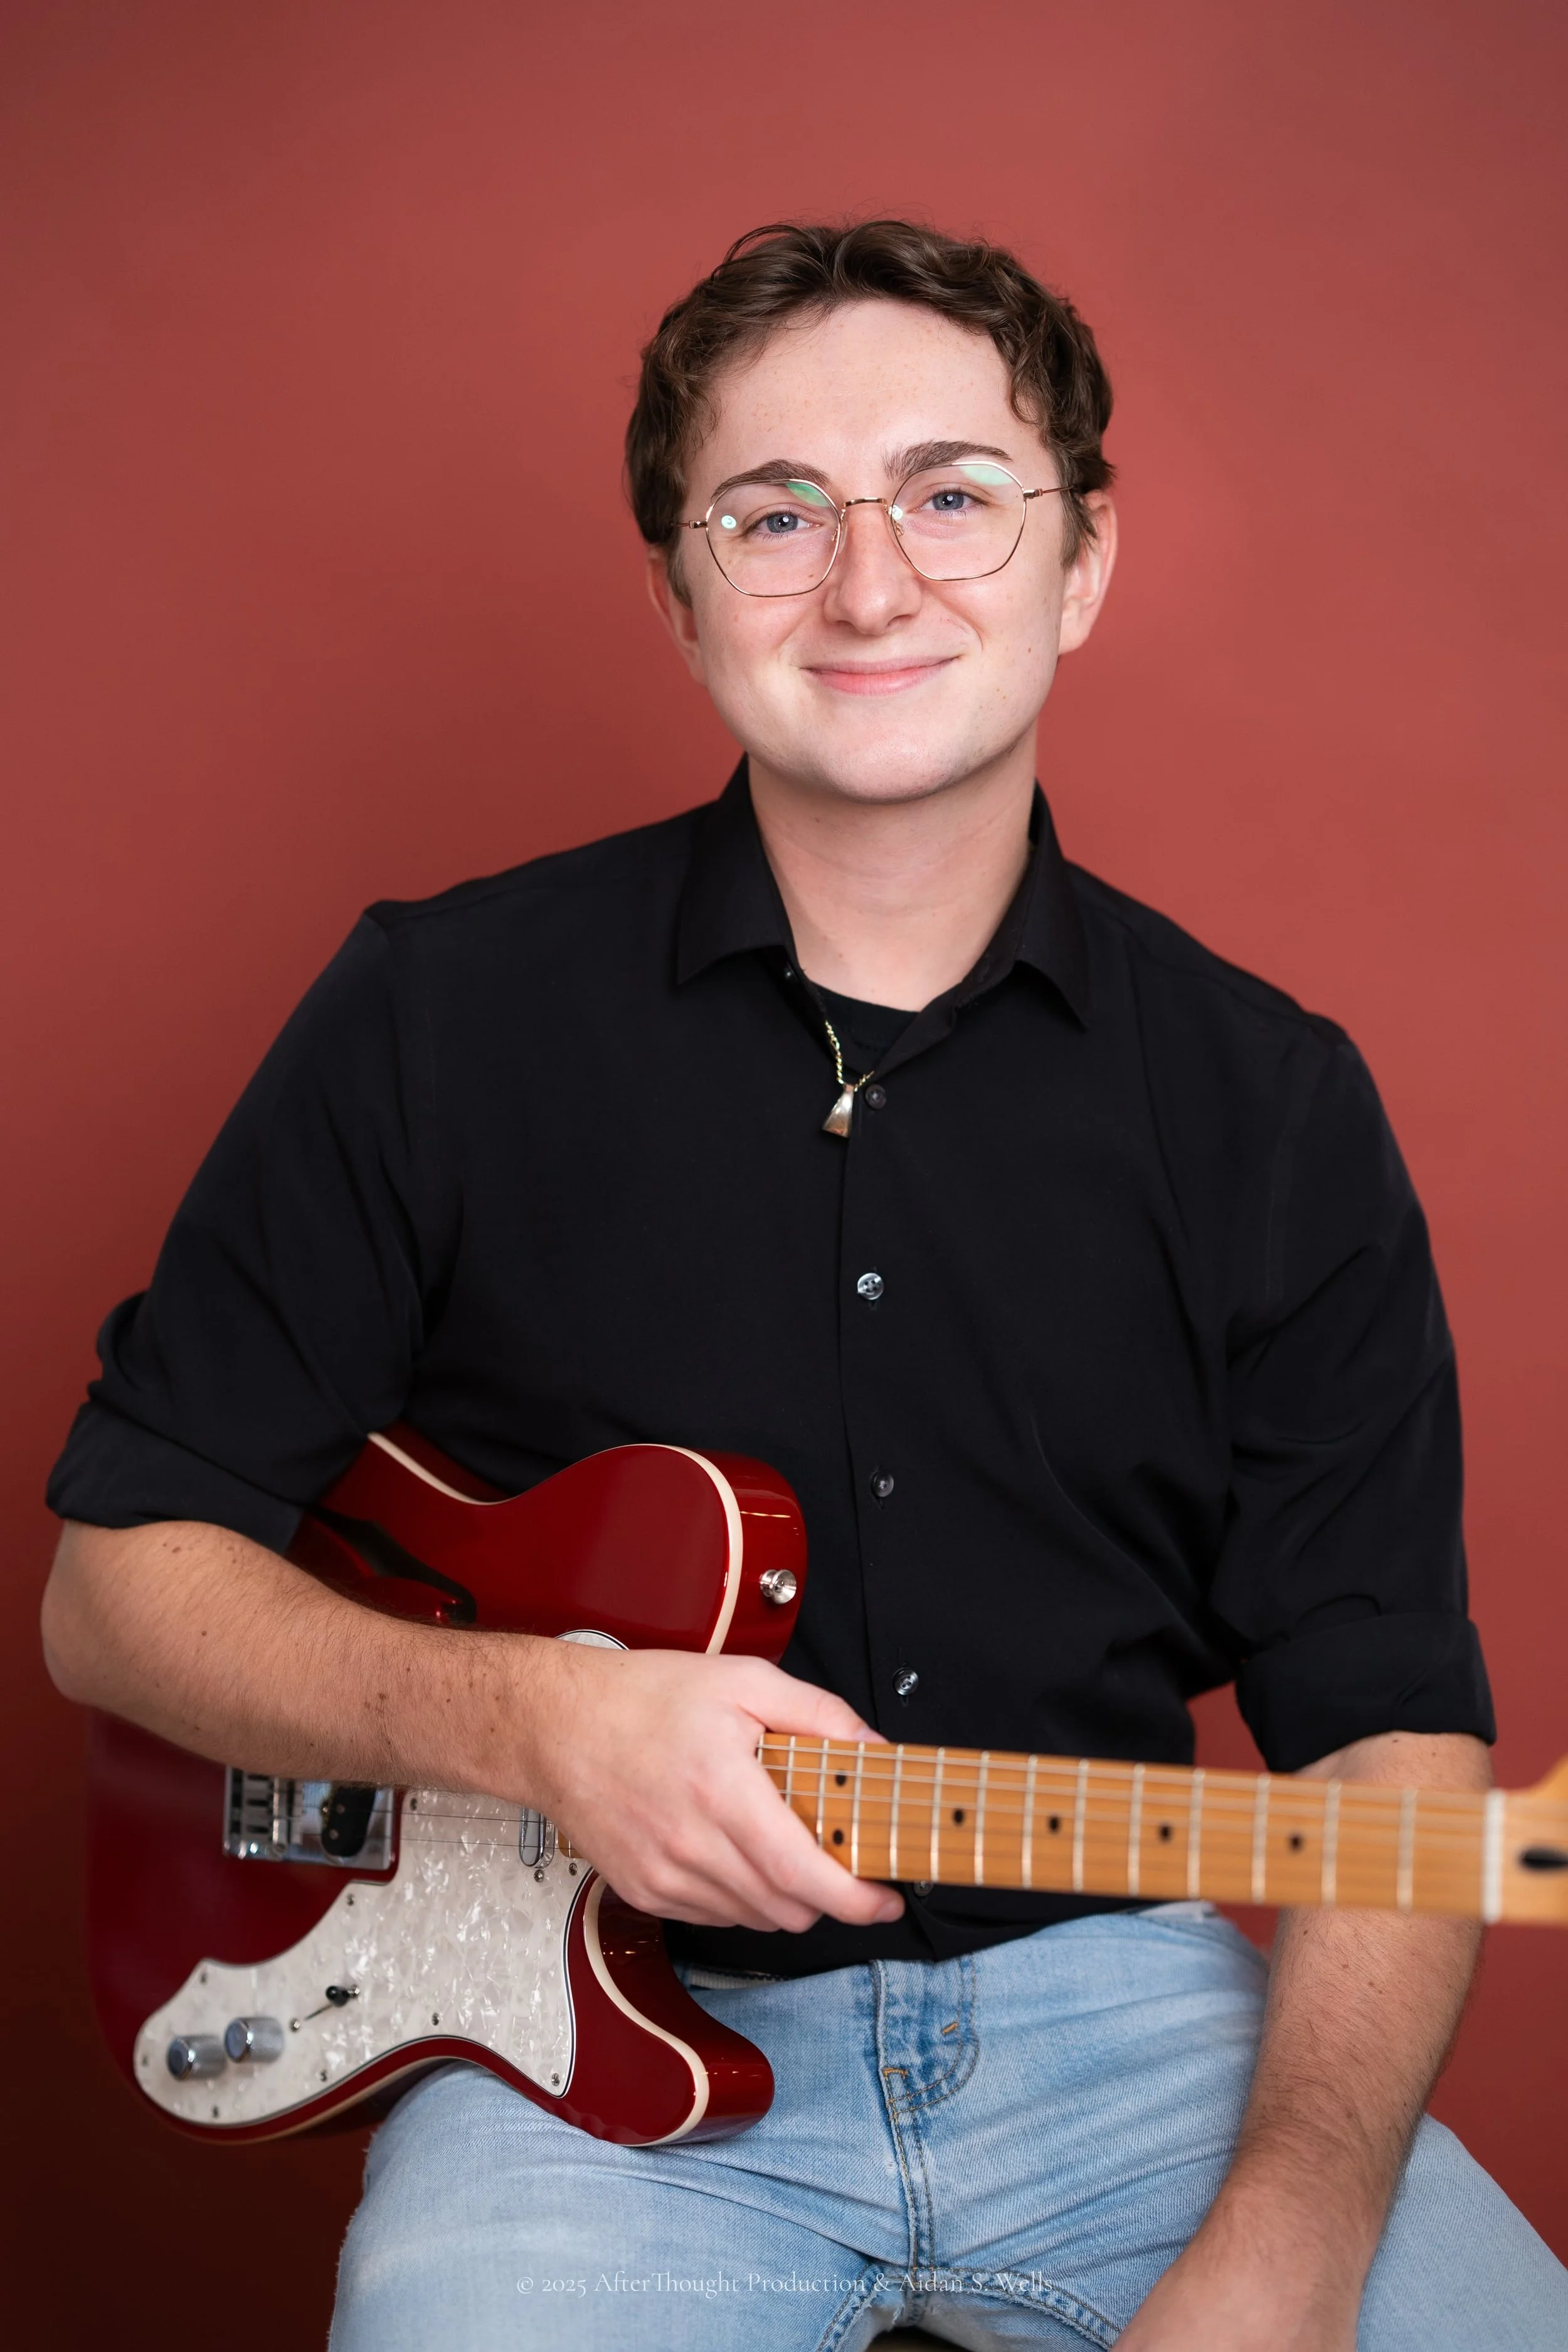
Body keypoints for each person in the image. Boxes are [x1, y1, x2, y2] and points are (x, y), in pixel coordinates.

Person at [40, 220, 1567, 2349]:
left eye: (952, 494)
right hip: (576, 2080)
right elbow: (112, 1586)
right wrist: (543, 1718)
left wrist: (1291, 2243)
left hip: (1127, 2017)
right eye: (776, 514)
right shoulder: (432, 1012)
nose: (869, 585)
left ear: (1083, 559)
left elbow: (1384, 1735)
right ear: (679, 593)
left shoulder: (1274, 1104)